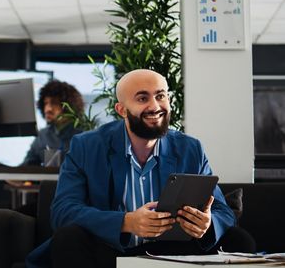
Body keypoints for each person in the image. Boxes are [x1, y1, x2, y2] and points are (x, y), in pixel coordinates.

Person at [26, 69, 255, 268]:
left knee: (239, 240)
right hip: (110, 251)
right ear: (122, 110)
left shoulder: (190, 148)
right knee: (69, 237)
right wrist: (126, 222)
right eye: (142, 98)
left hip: (171, 252)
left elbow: (223, 213)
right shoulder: (87, 146)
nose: (155, 106)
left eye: (160, 96)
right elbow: (63, 211)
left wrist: (207, 224)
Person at [22, 80, 84, 166]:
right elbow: (26, 168)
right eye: (45, 103)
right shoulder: (42, 136)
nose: (48, 109)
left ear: (69, 106)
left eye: (54, 103)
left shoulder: (85, 135)